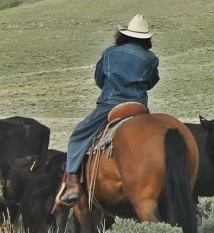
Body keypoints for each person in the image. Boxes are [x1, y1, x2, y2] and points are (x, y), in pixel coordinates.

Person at [54, 14, 160, 207]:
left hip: (110, 104)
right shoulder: (151, 58)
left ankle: (72, 184)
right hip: (138, 107)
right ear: (146, 38)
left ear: (124, 35)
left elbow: (99, 79)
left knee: (78, 135)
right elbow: (152, 82)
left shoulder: (110, 52)